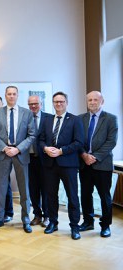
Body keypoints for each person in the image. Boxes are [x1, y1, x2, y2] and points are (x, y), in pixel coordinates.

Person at [0, 86, 35, 234]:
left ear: (17, 95)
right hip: (3, 153)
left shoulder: (27, 113)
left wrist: (18, 148)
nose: (11, 96)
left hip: (20, 153)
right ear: (5, 95)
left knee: (24, 189)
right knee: (1, 188)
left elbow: (31, 135)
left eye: (14, 94)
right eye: (8, 94)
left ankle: (26, 219)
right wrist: (4, 148)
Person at [39, 91, 84, 240]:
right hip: (49, 164)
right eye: (56, 102)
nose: (58, 104)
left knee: (72, 196)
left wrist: (61, 151)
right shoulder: (46, 120)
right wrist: (45, 148)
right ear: (53, 103)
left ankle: (74, 227)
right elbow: (40, 140)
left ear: (66, 103)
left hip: (68, 164)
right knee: (51, 195)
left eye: (61, 101)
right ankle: (53, 222)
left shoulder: (75, 120)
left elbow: (79, 142)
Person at [79, 91, 118, 238]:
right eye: (90, 100)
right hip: (84, 164)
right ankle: (88, 221)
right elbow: (77, 140)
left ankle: (105, 225)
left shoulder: (111, 119)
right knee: (85, 195)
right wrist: (84, 155)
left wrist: (94, 157)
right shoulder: (80, 119)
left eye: (96, 99)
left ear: (102, 101)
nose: (92, 102)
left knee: (104, 196)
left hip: (102, 165)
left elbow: (111, 142)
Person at [27, 95, 52, 227]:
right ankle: (37, 214)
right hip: (30, 159)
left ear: (41, 104)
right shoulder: (25, 118)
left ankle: (47, 215)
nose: (33, 106)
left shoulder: (50, 118)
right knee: (33, 188)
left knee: (46, 188)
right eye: (30, 104)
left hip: (46, 159)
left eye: (36, 103)